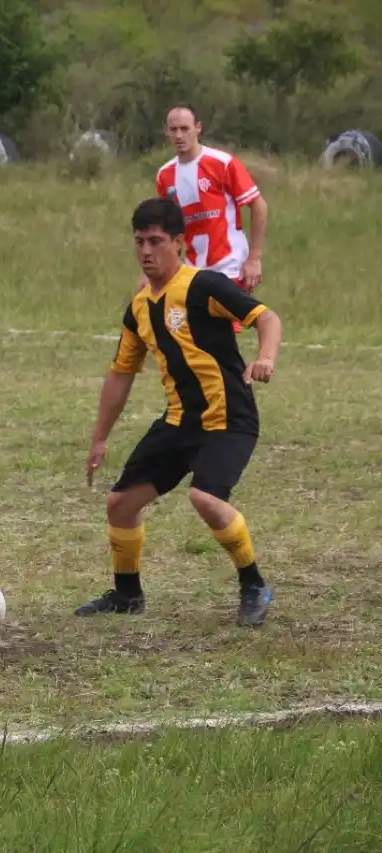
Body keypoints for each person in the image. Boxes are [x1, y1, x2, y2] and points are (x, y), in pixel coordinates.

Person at [80, 198, 282, 628]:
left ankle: (254, 584)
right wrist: (99, 438)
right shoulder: (139, 308)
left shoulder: (203, 286)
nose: (146, 251)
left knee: (205, 497)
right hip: (179, 422)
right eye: (139, 242)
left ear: (179, 243)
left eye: (156, 241)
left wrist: (265, 357)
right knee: (120, 503)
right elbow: (120, 374)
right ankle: (127, 594)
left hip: (228, 419)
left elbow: (267, 318)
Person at [153, 103, 269, 334]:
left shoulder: (222, 163)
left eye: (185, 128)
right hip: (194, 267)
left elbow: (258, 205)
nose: (179, 135)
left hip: (229, 262)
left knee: (216, 332)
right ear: (165, 132)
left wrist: (254, 258)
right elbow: (165, 228)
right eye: (173, 129)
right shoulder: (165, 175)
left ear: (198, 128)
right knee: (190, 331)